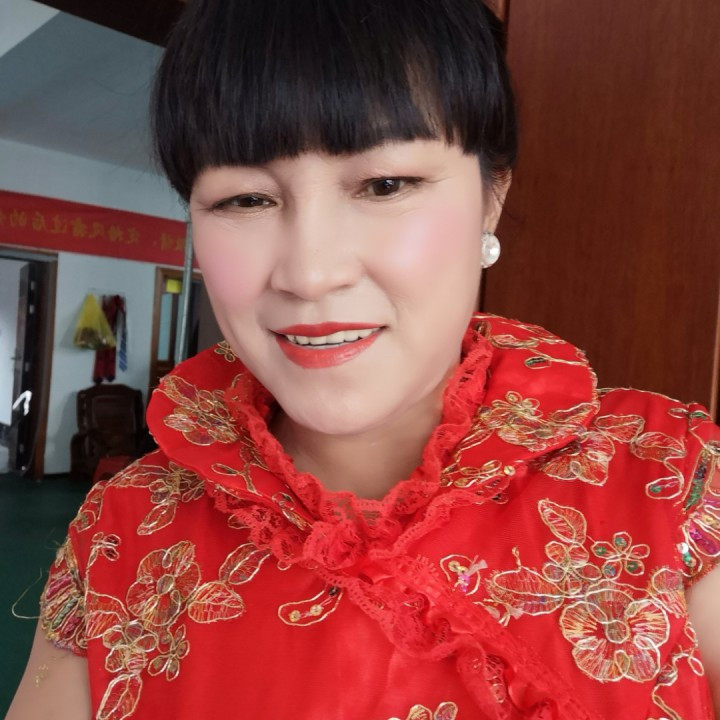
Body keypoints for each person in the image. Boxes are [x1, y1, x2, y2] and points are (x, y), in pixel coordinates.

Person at [7, 0, 720, 717]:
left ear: (492, 197)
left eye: (385, 185)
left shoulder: (673, 487)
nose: (311, 273)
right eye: (246, 199)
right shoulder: (124, 529)